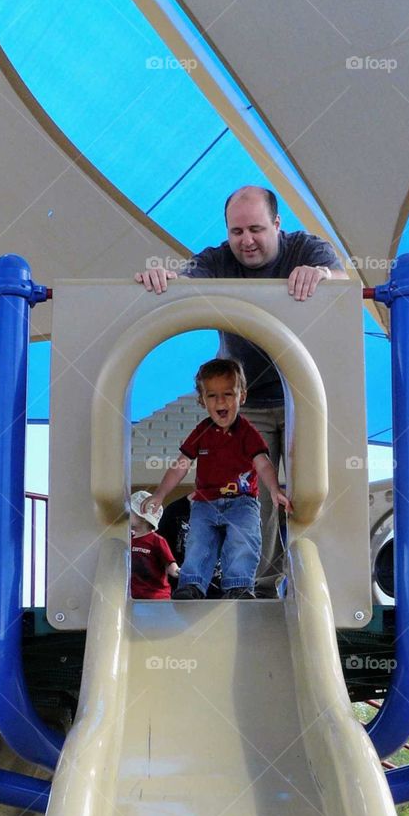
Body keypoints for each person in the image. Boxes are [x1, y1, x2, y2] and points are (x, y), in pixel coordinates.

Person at [135, 185, 346, 589]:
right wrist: (163, 278)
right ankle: (259, 586)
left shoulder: (304, 249)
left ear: (277, 225)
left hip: (302, 399)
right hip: (247, 403)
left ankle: (320, 589)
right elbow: (184, 283)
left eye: (256, 229)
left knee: (312, 488)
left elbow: (340, 280)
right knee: (256, 497)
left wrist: (322, 275)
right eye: (237, 232)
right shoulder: (218, 259)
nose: (246, 241)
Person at [142, 358, 292, 599]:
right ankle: (192, 585)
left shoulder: (247, 432)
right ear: (202, 400)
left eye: (228, 394)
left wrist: (274, 489)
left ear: (242, 396)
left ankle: (239, 585)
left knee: (243, 539)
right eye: (212, 396)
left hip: (242, 501)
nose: (220, 401)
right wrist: (160, 494)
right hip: (205, 502)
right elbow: (181, 464)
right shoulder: (201, 432)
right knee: (199, 542)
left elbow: (263, 462)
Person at [129, 490, 179, 600]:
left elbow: (170, 563)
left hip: (157, 597)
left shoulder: (156, 540)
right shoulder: (128, 539)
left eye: (131, 511)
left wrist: (179, 573)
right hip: (134, 597)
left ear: (142, 517)